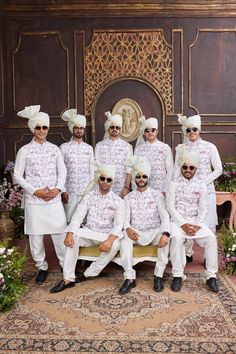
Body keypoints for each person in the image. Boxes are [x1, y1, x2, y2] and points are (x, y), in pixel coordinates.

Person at [50, 163, 125, 293]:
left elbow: (119, 224)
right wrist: (69, 233)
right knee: (72, 236)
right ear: (98, 179)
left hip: (105, 235)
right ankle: (68, 279)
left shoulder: (118, 201)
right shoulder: (89, 196)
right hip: (89, 233)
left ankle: (88, 274)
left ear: (112, 182)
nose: (105, 182)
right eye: (103, 178)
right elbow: (78, 216)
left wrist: (109, 240)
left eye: (109, 180)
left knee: (115, 244)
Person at [14, 105, 67, 284]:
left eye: (45, 127)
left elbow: (63, 172)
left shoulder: (54, 149)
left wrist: (58, 189)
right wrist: (34, 191)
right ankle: (41, 267)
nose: (42, 130)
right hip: (34, 200)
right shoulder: (24, 150)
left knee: (59, 233)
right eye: (38, 127)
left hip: (53, 199)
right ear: (33, 129)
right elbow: (17, 176)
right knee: (36, 236)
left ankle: (65, 265)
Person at [166, 150, 219, 293]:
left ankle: (211, 276)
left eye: (191, 167)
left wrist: (196, 225)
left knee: (211, 238)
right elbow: (170, 206)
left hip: (196, 222)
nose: (187, 170)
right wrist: (183, 224)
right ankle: (177, 275)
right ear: (181, 167)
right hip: (178, 222)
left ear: (196, 168)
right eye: (185, 167)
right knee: (176, 238)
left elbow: (203, 208)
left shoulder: (201, 185)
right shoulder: (173, 184)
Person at [119, 156, 170, 295]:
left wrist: (165, 233)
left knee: (166, 238)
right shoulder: (128, 197)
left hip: (154, 232)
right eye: (138, 176)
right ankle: (129, 278)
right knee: (123, 238)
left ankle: (158, 275)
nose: (141, 179)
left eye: (144, 176)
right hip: (136, 233)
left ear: (148, 178)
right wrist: (128, 228)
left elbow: (165, 216)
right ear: (134, 179)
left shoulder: (157, 195)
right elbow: (125, 218)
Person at [174, 114, 222, 262]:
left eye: (194, 129)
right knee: (186, 221)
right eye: (188, 130)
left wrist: (202, 182)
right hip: (185, 193)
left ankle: (209, 257)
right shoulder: (181, 148)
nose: (192, 132)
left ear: (199, 130)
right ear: (185, 132)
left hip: (206, 191)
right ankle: (187, 253)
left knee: (207, 223)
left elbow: (218, 169)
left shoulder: (209, 147)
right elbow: (177, 170)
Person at [60, 109, 94, 222]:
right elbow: (59, 171)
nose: (79, 130)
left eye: (81, 128)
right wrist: (63, 190)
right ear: (72, 129)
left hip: (85, 191)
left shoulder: (89, 149)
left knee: (84, 222)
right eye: (76, 127)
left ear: (84, 130)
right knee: (69, 221)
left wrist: (91, 191)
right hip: (69, 192)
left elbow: (92, 171)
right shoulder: (64, 148)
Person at [95, 111, 133, 198]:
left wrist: (126, 187)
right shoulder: (99, 146)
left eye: (117, 127)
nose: (115, 129)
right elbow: (96, 168)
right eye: (112, 127)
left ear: (120, 129)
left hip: (120, 187)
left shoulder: (127, 147)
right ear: (108, 128)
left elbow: (129, 170)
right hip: (103, 186)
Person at [134, 117, 173, 194]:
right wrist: (136, 189)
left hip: (161, 189)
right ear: (144, 133)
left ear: (156, 132)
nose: (150, 132)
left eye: (153, 130)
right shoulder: (139, 149)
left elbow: (170, 170)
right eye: (147, 130)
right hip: (143, 188)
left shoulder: (165, 148)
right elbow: (135, 171)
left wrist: (166, 189)